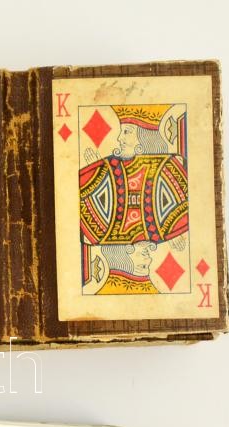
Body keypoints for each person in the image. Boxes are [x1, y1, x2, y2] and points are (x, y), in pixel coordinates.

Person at [79, 104, 188, 294]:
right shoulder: (102, 171)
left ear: (142, 142)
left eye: (127, 132)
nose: (119, 139)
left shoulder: (172, 166)